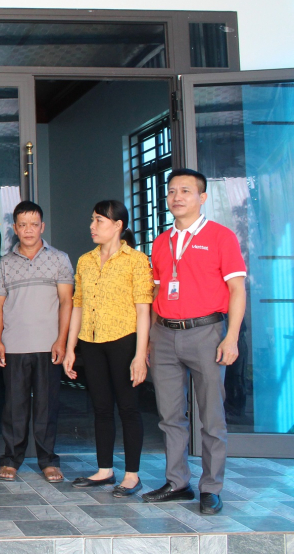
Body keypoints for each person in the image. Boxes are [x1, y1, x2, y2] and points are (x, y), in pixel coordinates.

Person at [142, 169, 247, 515]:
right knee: (170, 415)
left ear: (202, 198)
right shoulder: (160, 241)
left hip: (206, 333)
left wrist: (231, 337)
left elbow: (236, 290)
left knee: (212, 417)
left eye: (186, 191)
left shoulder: (221, 237)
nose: (177, 197)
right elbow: (158, 289)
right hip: (166, 334)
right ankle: (177, 481)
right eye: (172, 191)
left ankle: (211, 487)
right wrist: (152, 340)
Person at [63, 200, 153, 497]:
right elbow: (77, 305)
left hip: (124, 341)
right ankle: (104, 470)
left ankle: (132, 475)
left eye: (99, 220)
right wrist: (70, 347)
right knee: (101, 408)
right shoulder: (85, 260)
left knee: (128, 408)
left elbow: (143, 310)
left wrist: (140, 355)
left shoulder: (136, 260)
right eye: (92, 220)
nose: (92, 226)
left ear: (118, 226)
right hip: (91, 341)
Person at [0, 201, 74, 483]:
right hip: (14, 345)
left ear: (42, 227)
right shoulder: (5, 263)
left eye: (34, 224)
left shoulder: (60, 258)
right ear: (15, 228)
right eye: (22, 224)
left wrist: (61, 341)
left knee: (46, 406)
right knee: (13, 407)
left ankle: (48, 461)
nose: (28, 230)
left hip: (48, 345)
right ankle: (11, 459)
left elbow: (67, 302)